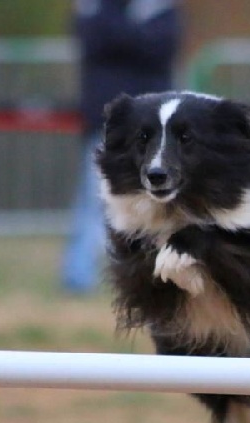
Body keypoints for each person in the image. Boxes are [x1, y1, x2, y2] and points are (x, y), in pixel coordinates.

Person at [62, 0, 182, 293]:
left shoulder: (158, 6)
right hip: (104, 123)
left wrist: (116, 36)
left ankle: (158, 278)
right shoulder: (92, 6)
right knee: (95, 200)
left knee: (160, 204)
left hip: (154, 128)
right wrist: (133, 34)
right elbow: (91, 41)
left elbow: (160, 47)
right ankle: (78, 278)